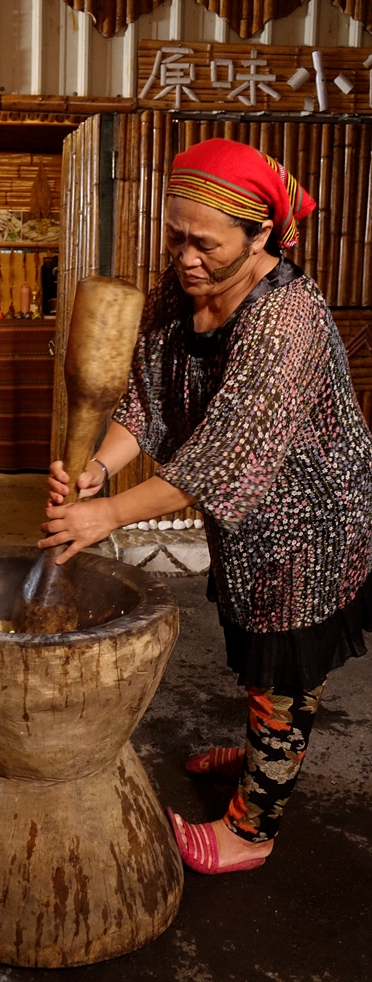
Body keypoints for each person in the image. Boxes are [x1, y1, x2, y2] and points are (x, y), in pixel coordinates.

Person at [44, 138, 372, 874]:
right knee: (253, 648)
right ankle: (263, 745)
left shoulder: (287, 321)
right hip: (243, 516)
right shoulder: (182, 294)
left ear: (260, 236)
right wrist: (97, 468)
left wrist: (103, 517)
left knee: (283, 668)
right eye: (175, 235)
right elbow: (146, 402)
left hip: (309, 522)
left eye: (204, 242)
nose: (185, 256)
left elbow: (229, 453)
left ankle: (251, 832)